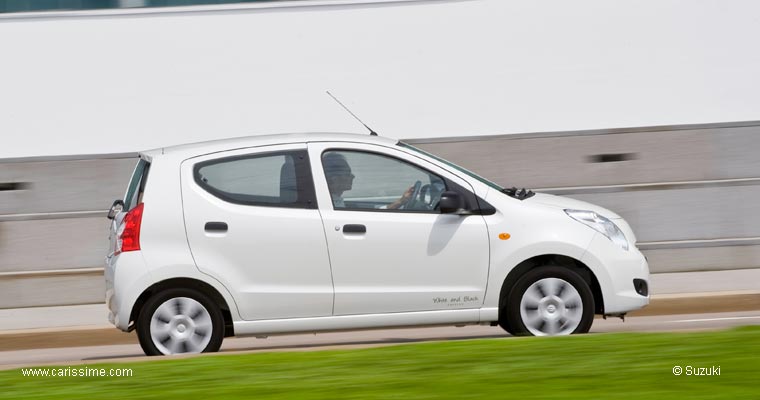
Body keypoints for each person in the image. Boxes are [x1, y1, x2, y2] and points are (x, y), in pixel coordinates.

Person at [323, 152, 415, 210]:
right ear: (334, 179)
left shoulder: (334, 201)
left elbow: (373, 215)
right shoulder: (331, 205)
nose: (353, 176)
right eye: (347, 173)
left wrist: (401, 201)